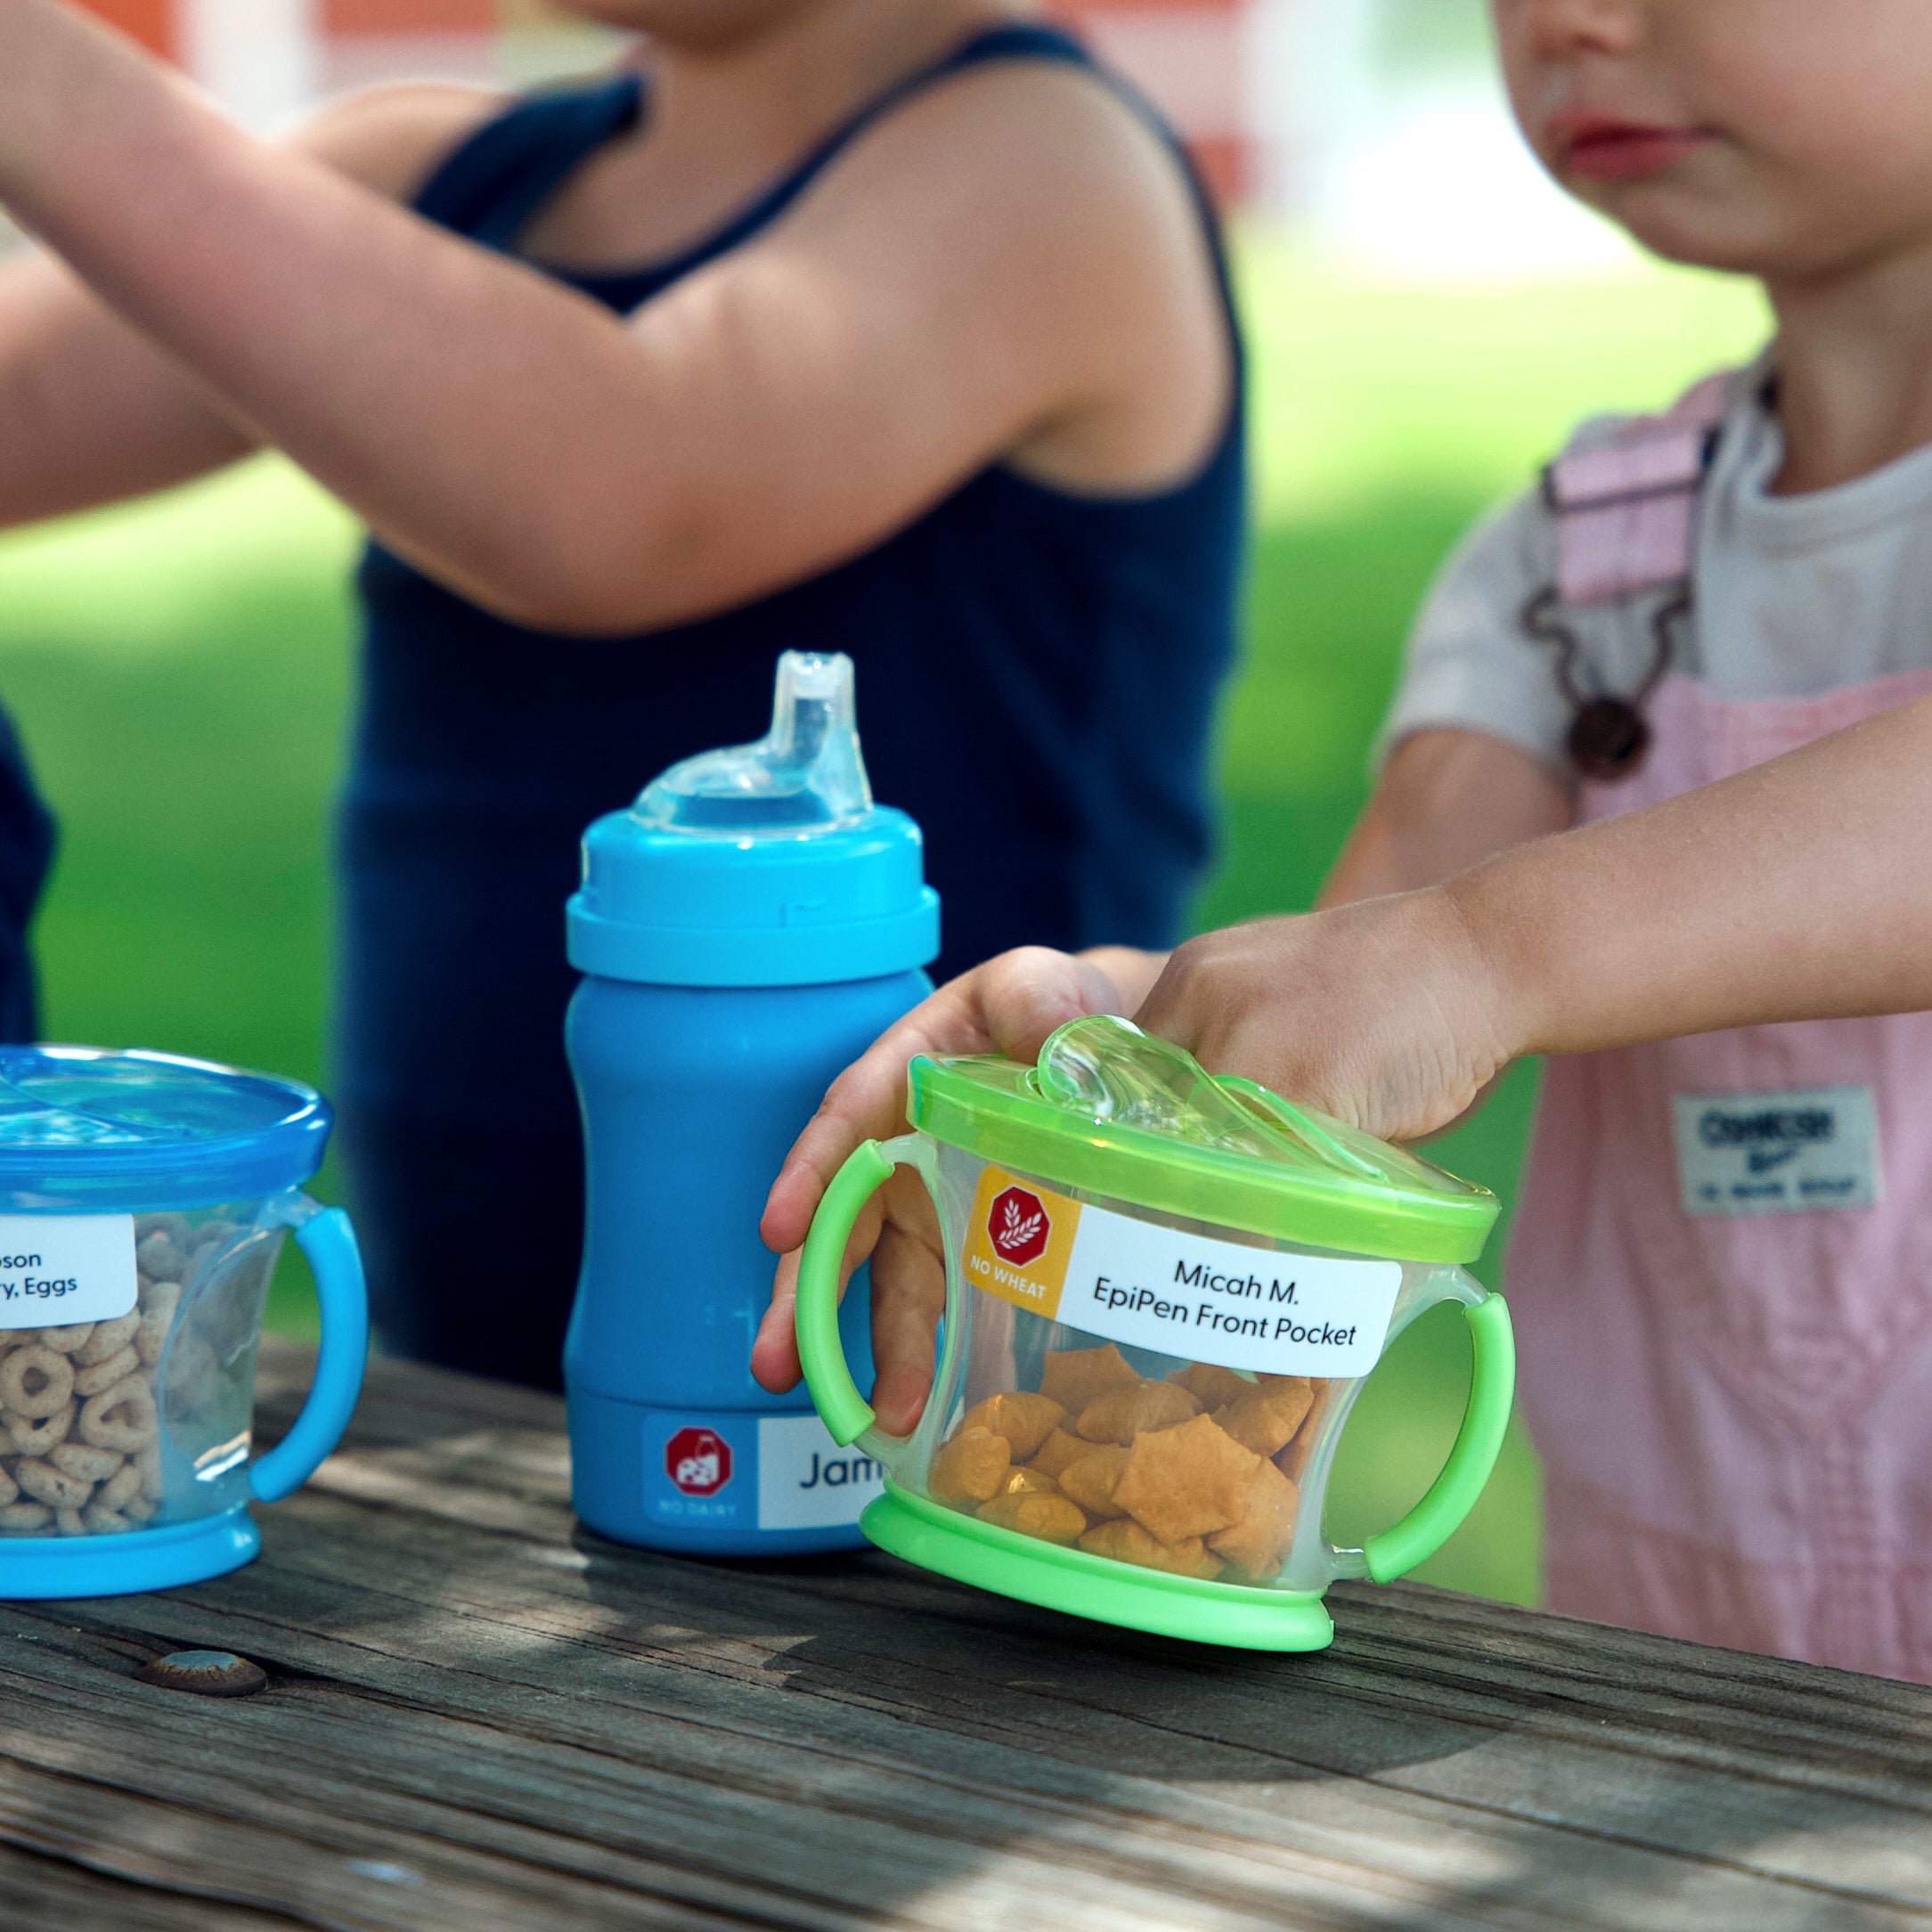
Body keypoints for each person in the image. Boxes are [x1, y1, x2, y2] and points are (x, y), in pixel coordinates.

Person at [759, 0, 1932, 1681]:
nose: (1572, 21)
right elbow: (1370, 974)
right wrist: (1120, 1050)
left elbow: (1453, 948)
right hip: (1674, 1682)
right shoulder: (1584, 564)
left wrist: (1487, 950)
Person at [0, 0, 1243, 1385]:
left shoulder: (1044, 169)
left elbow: (620, 486)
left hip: (925, 1378)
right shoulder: (444, 177)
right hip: (469, 1374)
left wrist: (33, 73)